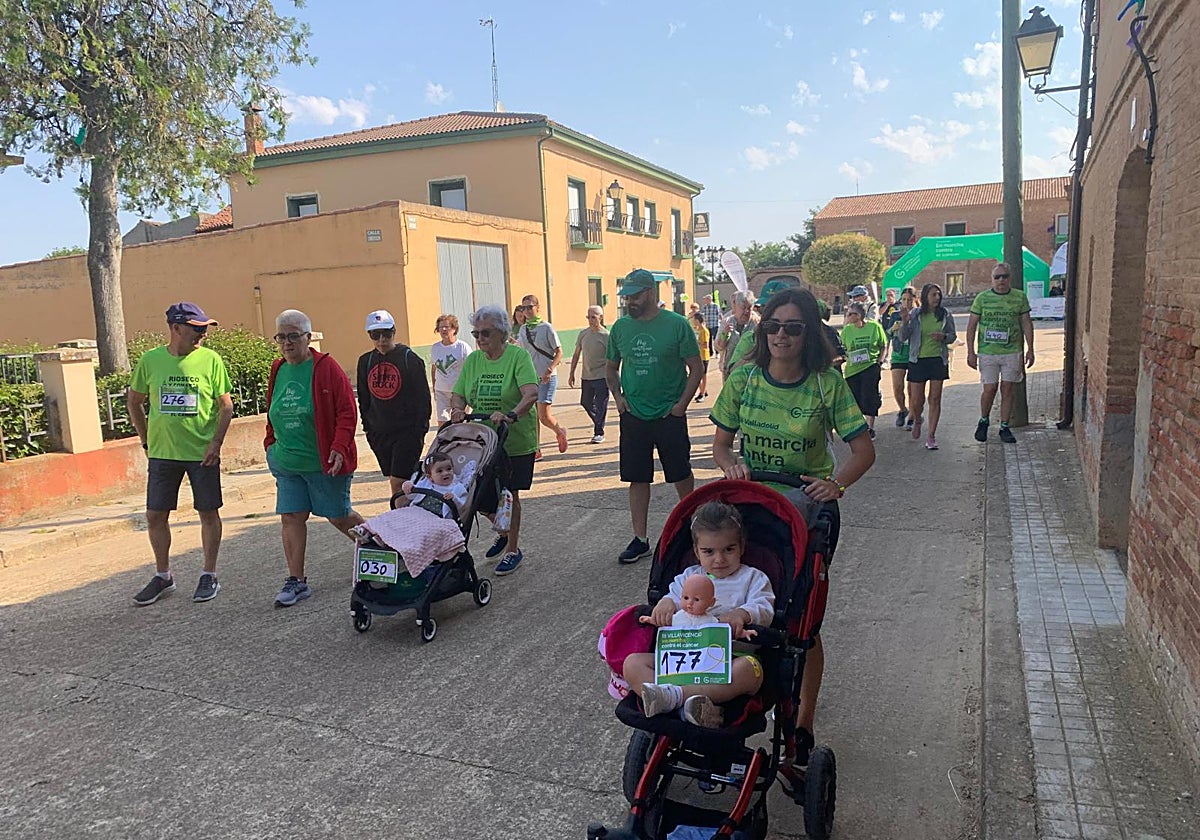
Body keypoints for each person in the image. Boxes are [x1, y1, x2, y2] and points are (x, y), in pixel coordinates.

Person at [709, 285, 876, 762]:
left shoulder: (826, 384)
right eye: (774, 326)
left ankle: (801, 721)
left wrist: (836, 485)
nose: (782, 335)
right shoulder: (744, 380)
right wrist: (730, 466)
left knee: (801, 620)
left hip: (807, 514)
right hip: (752, 505)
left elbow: (863, 451)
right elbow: (721, 445)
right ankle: (730, 693)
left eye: (793, 327)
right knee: (734, 601)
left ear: (809, 333)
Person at [623, 501, 775, 729]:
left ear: (742, 547)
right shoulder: (688, 577)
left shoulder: (753, 578)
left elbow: (765, 607)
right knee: (632, 663)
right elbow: (674, 597)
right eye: (709, 551)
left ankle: (673, 698)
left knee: (748, 670)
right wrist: (665, 603)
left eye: (729, 549)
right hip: (684, 659)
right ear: (696, 552)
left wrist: (742, 614)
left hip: (731, 658)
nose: (719, 559)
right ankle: (690, 705)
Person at [127, 302, 234, 606]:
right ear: (176, 328)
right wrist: (145, 439)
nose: (202, 334)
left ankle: (209, 574)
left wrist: (216, 443)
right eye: (196, 328)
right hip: (163, 453)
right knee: (155, 515)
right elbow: (134, 401)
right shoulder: (151, 360)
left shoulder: (210, 360)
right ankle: (163, 576)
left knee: (208, 512)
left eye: (204, 329)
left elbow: (225, 406)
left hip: (202, 452)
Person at [265, 310, 364, 607]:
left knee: (339, 515)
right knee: (291, 516)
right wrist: (270, 445)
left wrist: (339, 446)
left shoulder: (326, 368)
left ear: (309, 337)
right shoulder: (278, 368)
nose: (287, 342)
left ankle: (383, 554)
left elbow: (347, 412)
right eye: (281, 337)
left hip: (324, 462)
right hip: (287, 462)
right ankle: (296, 580)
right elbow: (274, 408)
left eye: (294, 335)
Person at [606, 269, 703, 564]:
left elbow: (696, 368)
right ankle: (641, 539)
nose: (629, 301)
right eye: (626, 296)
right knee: (637, 477)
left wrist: (682, 405)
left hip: (668, 414)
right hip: (634, 415)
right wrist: (620, 400)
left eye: (634, 296)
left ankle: (693, 532)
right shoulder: (620, 328)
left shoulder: (676, 325)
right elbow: (611, 368)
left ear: (650, 292)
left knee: (681, 474)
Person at [450, 305, 539, 576]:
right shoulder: (474, 360)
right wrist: (456, 409)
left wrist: (512, 414)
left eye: (486, 333)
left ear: (502, 333)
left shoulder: (517, 357)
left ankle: (513, 549)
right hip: (481, 439)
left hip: (514, 439)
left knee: (510, 495)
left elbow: (531, 392)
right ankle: (503, 528)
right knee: (477, 493)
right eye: (476, 333)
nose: (480, 338)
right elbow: (459, 393)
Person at [357, 310, 431, 498]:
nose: (382, 339)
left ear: (394, 332)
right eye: (376, 334)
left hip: (407, 431)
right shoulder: (365, 361)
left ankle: (400, 522)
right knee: (401, 480)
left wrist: (419, 430)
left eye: (386, 334)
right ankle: (415, 512)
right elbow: (364, 398)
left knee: (397, 482)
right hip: (379, 432)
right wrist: (368, 428)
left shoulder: (409, 359)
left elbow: (423, 397)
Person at [967, 262, 1035, 444]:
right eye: (997, 277)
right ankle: (983, 420)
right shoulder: (982, 298)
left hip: (1012, 351)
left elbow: (1027, 323)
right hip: (988, 352)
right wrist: (970, 352)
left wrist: (1030, 349)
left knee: (1008, 389)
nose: (1001, 280)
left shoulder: (1019, 297)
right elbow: (972, 325)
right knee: (989, 389)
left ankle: (1004, 426)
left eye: (1004, 276)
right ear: (992, 279)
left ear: (1010, 278)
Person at [899, 283, 957, 451]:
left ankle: (931, 435)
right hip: (918, 360)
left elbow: (953, 336)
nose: (937, 298)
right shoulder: (915, 314)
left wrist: (944, 337)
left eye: (939, 295)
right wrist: (904, 322)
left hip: (938, 360)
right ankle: (917, 419)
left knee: (935, 398)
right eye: (933, 295)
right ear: (925, 297)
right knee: (917, 400)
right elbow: (903, 337)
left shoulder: (945, 315)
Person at [515, 294, 570, 455]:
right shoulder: (523, 329)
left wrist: (550, 369)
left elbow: (559, 352)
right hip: (530, 378)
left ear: (538, 308)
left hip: (547, 377)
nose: (527, 311)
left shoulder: (546, 327)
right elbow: (522, 351)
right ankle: (536, 448)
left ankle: (559, 431)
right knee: (532, 415)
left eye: (530, 307)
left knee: (543, 415)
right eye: (524, 308)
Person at [840, 302, 888, 437]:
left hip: (870, 366)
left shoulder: (874, 327)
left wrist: (879, 361)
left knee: (869, 397)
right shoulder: (847, 330)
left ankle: (870, 427)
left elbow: (883, 345)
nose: (848, 317)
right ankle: (859, 426)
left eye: (851, 314)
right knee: (854, 399)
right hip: (852, 370)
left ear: (859, 315)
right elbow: (843, 348)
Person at [568, 305, 610, 443]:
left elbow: (612, 358)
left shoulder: (606, 336)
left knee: (600, 404)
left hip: (602, 376)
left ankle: (599, 432)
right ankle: (598, 420)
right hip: (587, 375)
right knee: (585, 402)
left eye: (593, 317)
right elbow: (576, 354)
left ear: (601, 317)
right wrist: (572, 372)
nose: (590, 320)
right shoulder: (583, 334)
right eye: (588, 317)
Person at [882, 287, 917, 429]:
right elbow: (887, 334)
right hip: (898, 353)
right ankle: (903, 410)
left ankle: (912, 417)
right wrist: (892, 329)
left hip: (914, 354)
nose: (906, 302)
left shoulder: (917, 314)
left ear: (915, 300)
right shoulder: (895, 315)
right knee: (897, 387)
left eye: (909, 299)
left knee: (912, 389)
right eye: (903, 299)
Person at [399, 452, 473, 518]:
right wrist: (408, 486)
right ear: (430, 477)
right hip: (417, 513)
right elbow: (412, 496)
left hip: (438, 518)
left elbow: (463, 508)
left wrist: (454, 498)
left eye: (449, 469)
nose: (446, 473)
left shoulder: (458, 488)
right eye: (440, 471)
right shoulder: (426, 483)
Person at [431, 314, 472, 427]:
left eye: (447, 327)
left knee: (460, 422)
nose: (443, 330)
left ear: (454, 329)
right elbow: (434, 368)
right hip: (441, 391)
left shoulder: (463, 347)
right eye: (440, 327)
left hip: (459, 392)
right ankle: (445, 444)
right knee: (443, 422)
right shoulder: (435, 348)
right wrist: (435, 387)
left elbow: (471, 369)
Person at [716, 290, 758, 378]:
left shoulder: (757, 323)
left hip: (751, 374)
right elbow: (719, 347)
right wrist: (725, 334)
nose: (746, 311)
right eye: (743, 307)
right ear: (736, 306)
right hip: (730, 373)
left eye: (749, 308)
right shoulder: (727, 321)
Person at [691, 311, 711, 402]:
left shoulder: (704, 331)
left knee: (703, 375)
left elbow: (706, 345)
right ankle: (703, 390)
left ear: (698, 320)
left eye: (694, 320)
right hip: (698, 356)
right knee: (697, 375)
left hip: (704, 356)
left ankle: (702, 393)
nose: (693, 321)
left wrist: (697, 344)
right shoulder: (697, 330)